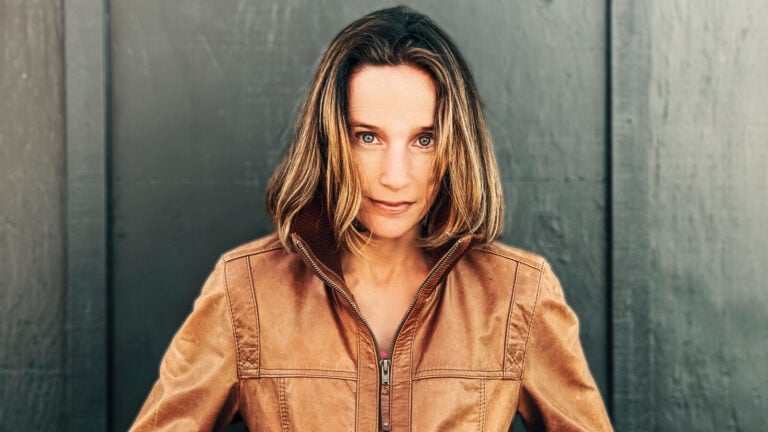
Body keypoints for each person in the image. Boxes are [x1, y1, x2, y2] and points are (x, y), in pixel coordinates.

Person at [130, 5, 612, 431]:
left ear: (454, 145)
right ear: (332, 138)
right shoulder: (247, 291)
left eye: (423, 139)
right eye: (368, 137)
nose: (395, 176)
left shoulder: (516, 296)